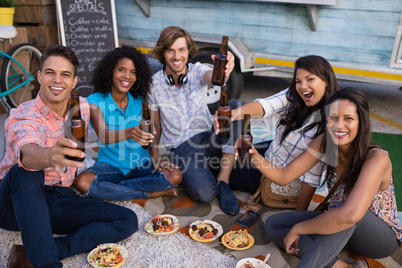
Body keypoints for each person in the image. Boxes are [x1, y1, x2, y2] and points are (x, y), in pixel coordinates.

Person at [0, 44, 137, 268]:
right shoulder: (22, 115)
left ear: (74, 82)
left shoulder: (82, 107)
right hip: (14, 202)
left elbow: (104, 134)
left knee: (127, 219)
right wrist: (49, 156)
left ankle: (42, 251)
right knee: (27, 172)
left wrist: (134, 131)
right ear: (39, 76)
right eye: (50, 72)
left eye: (65, 74)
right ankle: (47, 263)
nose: (57, 80)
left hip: (58, 196)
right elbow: (27, 151)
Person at [262, 87, 402, 267]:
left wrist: (299, 228)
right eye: (333, 117)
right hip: (339, 223)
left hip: (379, 239)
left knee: (348, 211)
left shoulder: (377, 158)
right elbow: (284, 176)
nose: (339, 125)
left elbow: (350, 215)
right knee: (274, 224)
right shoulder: (326, 143)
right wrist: (253, 154)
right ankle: (342, 266)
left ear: (361, 122)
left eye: (348, 119)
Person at [216, 55, 339, 210]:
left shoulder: (330, 123)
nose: (302, 86)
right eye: (298, 81)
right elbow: (267, 105)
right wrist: (232, 114)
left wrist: (300, 214)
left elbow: (312, 177)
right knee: (235, 107)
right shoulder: (295, 96)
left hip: (275, 174)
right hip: (272, 152)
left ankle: (221, 179)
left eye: (310, 79)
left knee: (215, 162)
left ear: (326, 80)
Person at [148, 26, 243, 215]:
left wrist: (223, 71)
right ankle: (216, 166)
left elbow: (214, 78)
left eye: (182, 50)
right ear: (162, 52)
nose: (177, 56)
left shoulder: (197, 71)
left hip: (209, 137)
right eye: (171, 50)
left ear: (189, 51)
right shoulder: (153, 84)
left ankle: (223, 179)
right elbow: (156, 125)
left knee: (236, 104)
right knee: (205, 194)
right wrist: (156, 156)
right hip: (182, 149)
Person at [74, 45, 182, 201]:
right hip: (111, 167)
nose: (127, 77)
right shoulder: (94, 101)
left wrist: (157, 158)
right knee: (83, 182)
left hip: (142, 166)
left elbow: (151, 135)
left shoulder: (141, 101)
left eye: (133, 72)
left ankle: (116, 189)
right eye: (121, 70)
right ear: (110, 70)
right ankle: (147, 194)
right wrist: (132, 131)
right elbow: (104, 136)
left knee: (175, 176)